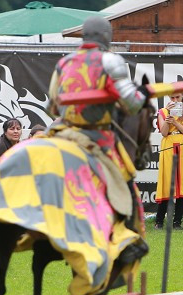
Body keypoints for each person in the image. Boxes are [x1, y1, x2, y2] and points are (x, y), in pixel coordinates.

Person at [46, 15, 151, 259]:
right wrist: (142, 94)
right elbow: (133, 106)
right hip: (96, 137)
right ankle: (129, 239)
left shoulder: (64, 63)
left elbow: (51, 106)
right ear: (107, 36)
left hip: (62, 132)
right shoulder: (111, 61)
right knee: (126, 180)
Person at [154, 91, 183, 229]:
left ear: (182, 96)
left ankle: (177, 222)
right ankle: (159, 221)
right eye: (172, 97)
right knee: (168, 182)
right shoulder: (163, 112)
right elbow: (163, 132)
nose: (175, 100)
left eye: (177, 97)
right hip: (168, 146)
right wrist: (168, 117)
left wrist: (176, 123)